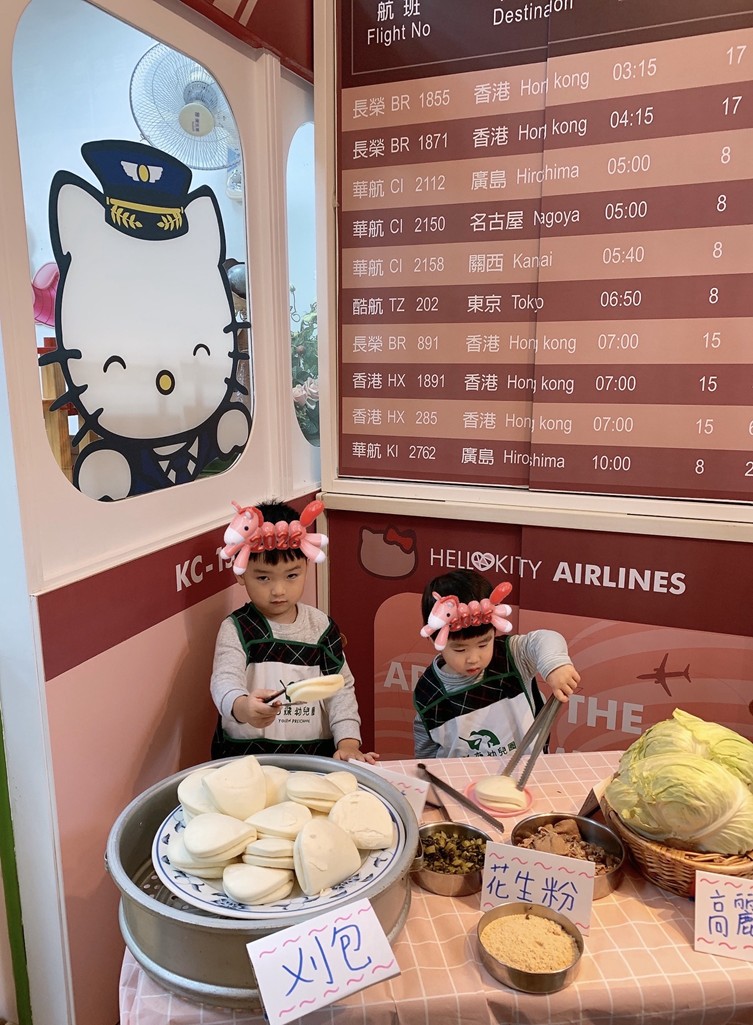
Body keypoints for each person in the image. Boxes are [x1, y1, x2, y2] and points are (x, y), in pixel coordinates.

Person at [210, 498, 378, 763]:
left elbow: (341, 688)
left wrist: (348, 742)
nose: (278, 590)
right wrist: (242, 707)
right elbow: (224, 681)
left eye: (291, 575)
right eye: (263, 577)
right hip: (248, 760)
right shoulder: (237, 629)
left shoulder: (321, 627)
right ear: (240, 573)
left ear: (307, 566)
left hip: (313, 758)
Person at [413, 568, 580, 759]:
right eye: (460, 649)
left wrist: (555, 665)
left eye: (483, 644)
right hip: (459, 777)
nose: (473, 658)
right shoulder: (428, 693)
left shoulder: (512, 658)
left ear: (494, 631)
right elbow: (425, 757)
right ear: (434, 639)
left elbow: (545, 639)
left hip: (526, 772)